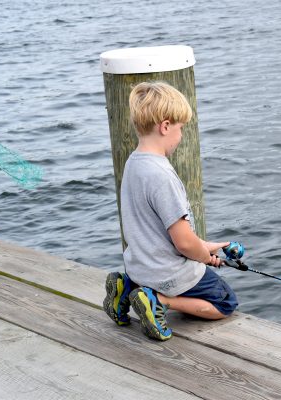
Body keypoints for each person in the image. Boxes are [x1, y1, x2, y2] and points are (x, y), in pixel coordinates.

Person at [103, 81, 238, 341]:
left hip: (140, 268)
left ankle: (126, 288)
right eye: (181, 128)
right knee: (225, 302)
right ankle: (159, 301)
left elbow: (159, 230)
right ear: (165, 126)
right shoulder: (163, 175)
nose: (182, 135)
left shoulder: (133, 164)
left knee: (178, 266)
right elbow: (185, 243)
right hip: (168, 275)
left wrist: (208, 246)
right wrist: (203, 257)